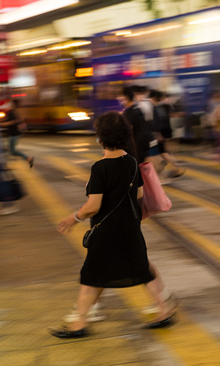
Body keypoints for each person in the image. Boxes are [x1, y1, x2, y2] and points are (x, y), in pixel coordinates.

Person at [50, 112, 176, 339]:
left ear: (101, 137)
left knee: (92, 275)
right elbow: (138, 196)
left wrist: (74, 217)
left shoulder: (101, 168)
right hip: (130, 227)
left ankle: (79, 323)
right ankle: (164, 310)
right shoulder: (131, 162)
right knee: (141, 268)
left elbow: (93, 206)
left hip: (107, 231)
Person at [148, 89, 184, 178]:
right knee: (164, 153)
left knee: (158, 154)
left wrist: (157, 133)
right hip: (163, 134)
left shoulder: (156, 109)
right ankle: (178, 168)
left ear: (153, 98)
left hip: (158, 135)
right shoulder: (163, 107)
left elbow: (158, 123)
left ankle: (162, 175)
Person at [0, 99, 34, 168]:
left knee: (12, 151)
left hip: (14, 134)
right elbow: (7, 119)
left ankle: (28, 158)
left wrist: (2, 124)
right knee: (9, 150)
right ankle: (27, 158)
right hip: (14, 133)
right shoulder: (12, 111)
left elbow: (11, 122)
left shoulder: (12, 112)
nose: (8, 104)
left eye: (10, 103)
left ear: (13, 104)